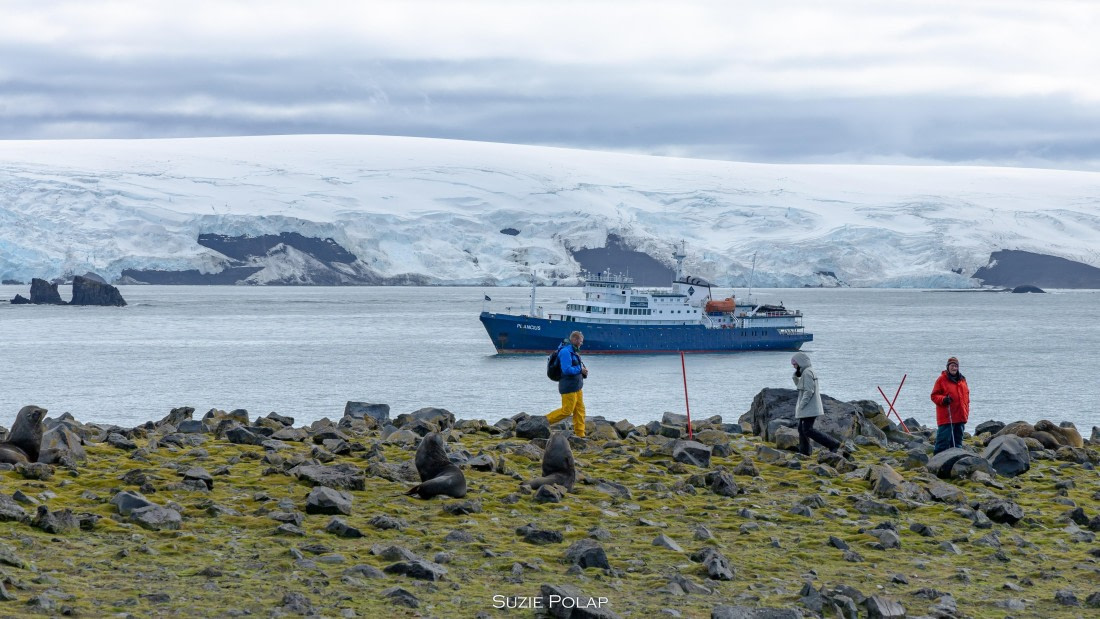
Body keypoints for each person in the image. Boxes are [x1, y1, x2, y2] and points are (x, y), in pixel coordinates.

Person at [790, 352, 840, 456]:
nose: (794, 366)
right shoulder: (807, 371)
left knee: (808, 430)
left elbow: (809, 391)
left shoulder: (807, 373)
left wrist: (802, 405)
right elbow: (801, 387)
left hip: (809, 407)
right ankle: (805, 451)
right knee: (802, 429)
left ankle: (833, 444)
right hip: (810, 407)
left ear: (800, 363)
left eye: (794, 364)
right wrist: (795, 377)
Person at [546, 331, 588, 438]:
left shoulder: (574, 351)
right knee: (567, 411)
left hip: (577, 386)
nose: (581, 344)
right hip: (568, 387)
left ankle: (580, 434)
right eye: (580, 341)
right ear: (574, 340)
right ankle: (543, 421)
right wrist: (580, 370)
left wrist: (582, 371)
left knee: (580, 410)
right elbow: (566, 370)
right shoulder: (565, 352)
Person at [930, 356, 970, 454]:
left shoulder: (962, 380)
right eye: (952, 366)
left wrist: (966, 412)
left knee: (957, 444)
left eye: (956, 366)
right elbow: (934, 396)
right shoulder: (941, 379)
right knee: (942, 443)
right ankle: (936, 463)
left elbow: (967, 398)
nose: (954, 368)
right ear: (948, 367)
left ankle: (956, 462)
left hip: (960, 417)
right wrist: (943, 399)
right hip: (947, 418)